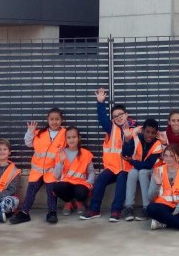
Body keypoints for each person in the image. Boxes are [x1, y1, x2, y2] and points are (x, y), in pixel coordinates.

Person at [81, 88, 135, 222]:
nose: (118, 117)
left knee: (122, 180)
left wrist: (128, 140)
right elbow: (102, 118)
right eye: (115, 116)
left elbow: (129, 152)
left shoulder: (135, 130)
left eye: (121, 114)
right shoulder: (111, 128)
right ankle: (94, 209)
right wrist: (100, 103)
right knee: (100, 179)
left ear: (126, 114)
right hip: (111, 168)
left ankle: (116, 211)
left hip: (126, 168)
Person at [10, 108, 66, 225]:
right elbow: (28, 143)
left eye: (57, 119)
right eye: (52, 119)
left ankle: (52, 212)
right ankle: (24, 213)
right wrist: (30, 132)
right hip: (37, 171)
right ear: (47, 120)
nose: (54, 122)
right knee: (30, 191)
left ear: (62, 120)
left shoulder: (65, 134)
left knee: (51, 192)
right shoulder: (40, 133)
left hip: (52, 171)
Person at [121, 118, 163, 221]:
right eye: (147, 132)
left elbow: (148, 165)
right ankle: (129, 207)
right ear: (143, 131)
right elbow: (126, 154)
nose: (150, 135)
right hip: (139, 166)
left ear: (156, 133)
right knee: (132, 173)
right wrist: (127, 140)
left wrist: (132, 161)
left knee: (143, 172)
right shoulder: (136, 138)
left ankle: (147, 207)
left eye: (153, 133)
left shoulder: (158, 144)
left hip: (154, 170)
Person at [51, 126, 96, 217]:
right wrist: (61, 162)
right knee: (57, 187)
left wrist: (89, 182)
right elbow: (56, 175)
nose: (71, 140)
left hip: (80, 183)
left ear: (79, 138)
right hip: (66, 183)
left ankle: (79, 202)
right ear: (65, 139)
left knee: (81, 192)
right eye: (69, 138)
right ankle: (68, 203)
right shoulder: (61, 153)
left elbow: (91, 171)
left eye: (74, 137)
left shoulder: (85, 153)